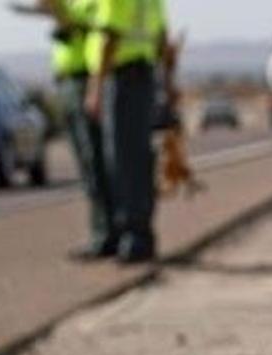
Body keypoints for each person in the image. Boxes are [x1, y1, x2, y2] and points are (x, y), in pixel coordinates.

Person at [11, 0, 116, 261]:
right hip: (70, 79)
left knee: (95, 161)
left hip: (84, 77)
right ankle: (104, 232)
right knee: (90, 163)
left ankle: (106, 234)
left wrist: (57, 11)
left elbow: (87, 27)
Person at [85, 0, 170, 263]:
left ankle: (134, 238)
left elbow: (111, 34)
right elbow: (161, 38)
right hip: (142, 75)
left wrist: (96, 88)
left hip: (123, 77)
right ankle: (138, 235)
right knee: (137, 158)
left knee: (123, 161)